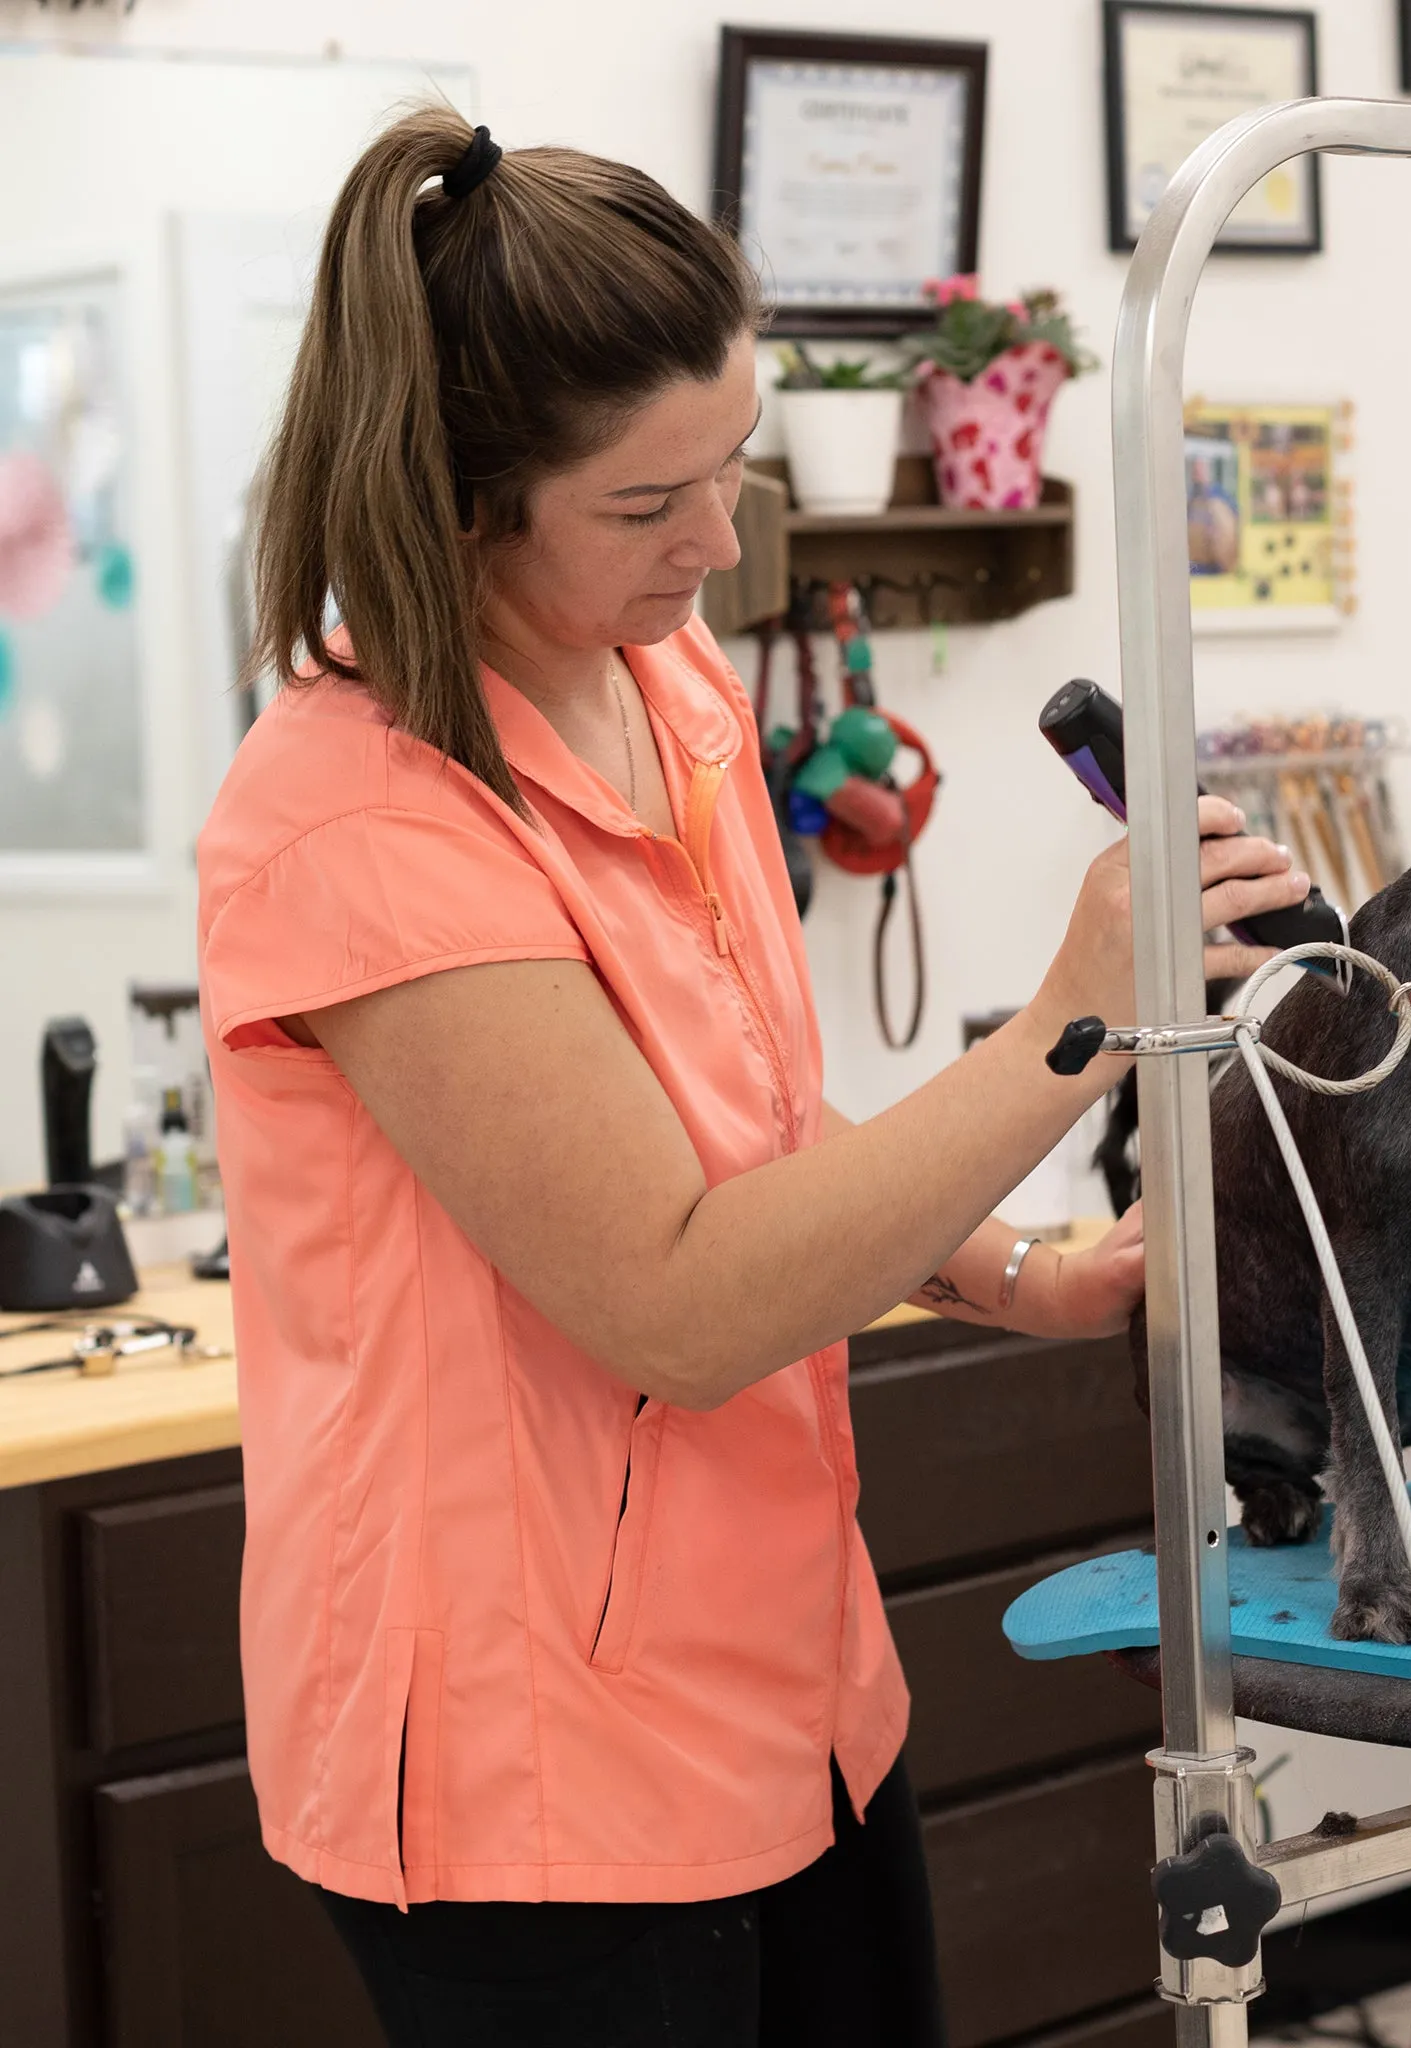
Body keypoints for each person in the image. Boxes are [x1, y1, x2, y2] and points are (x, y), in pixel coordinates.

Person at [195, 107, 1311, 2048]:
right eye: (649, 507)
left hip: (782, 1688)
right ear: (459, 503)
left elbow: (752, 1118)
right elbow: (687, 1298)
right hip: (530, 1781)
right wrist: (1084, 1005)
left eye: (735, 471)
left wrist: (1016, 1271)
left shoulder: (670, 688)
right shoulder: (361, 825)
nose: (718, 547)